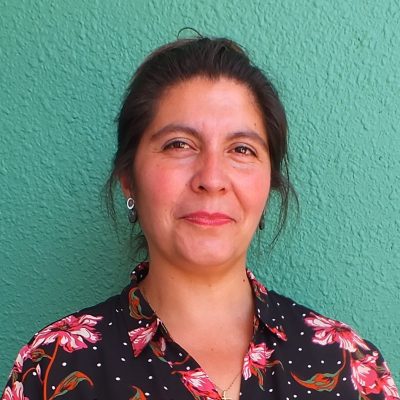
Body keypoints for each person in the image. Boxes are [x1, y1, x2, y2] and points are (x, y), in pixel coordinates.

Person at [2, 37, 398, 400]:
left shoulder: (349, 366)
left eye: (241, 149)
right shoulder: (53, 367)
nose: (211, 178)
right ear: (128, 179)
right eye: (179, 145)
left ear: (268, 185)